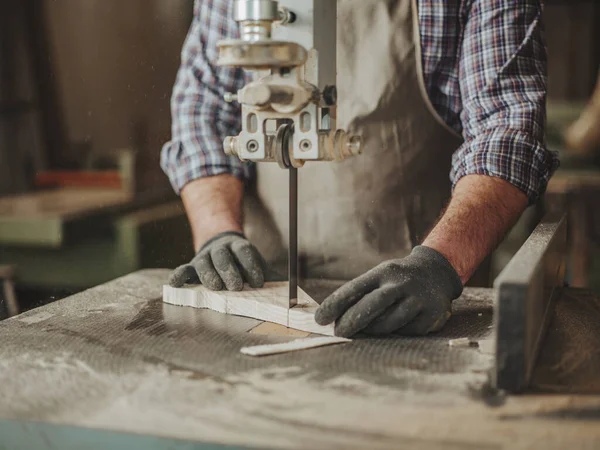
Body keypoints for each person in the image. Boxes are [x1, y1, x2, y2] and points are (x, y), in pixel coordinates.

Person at [161, 0, 559, 338]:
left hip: (422, 298)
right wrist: (217, 232)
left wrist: (438, 265)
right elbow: (204, 107)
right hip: (259, 283)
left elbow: (505, 127)